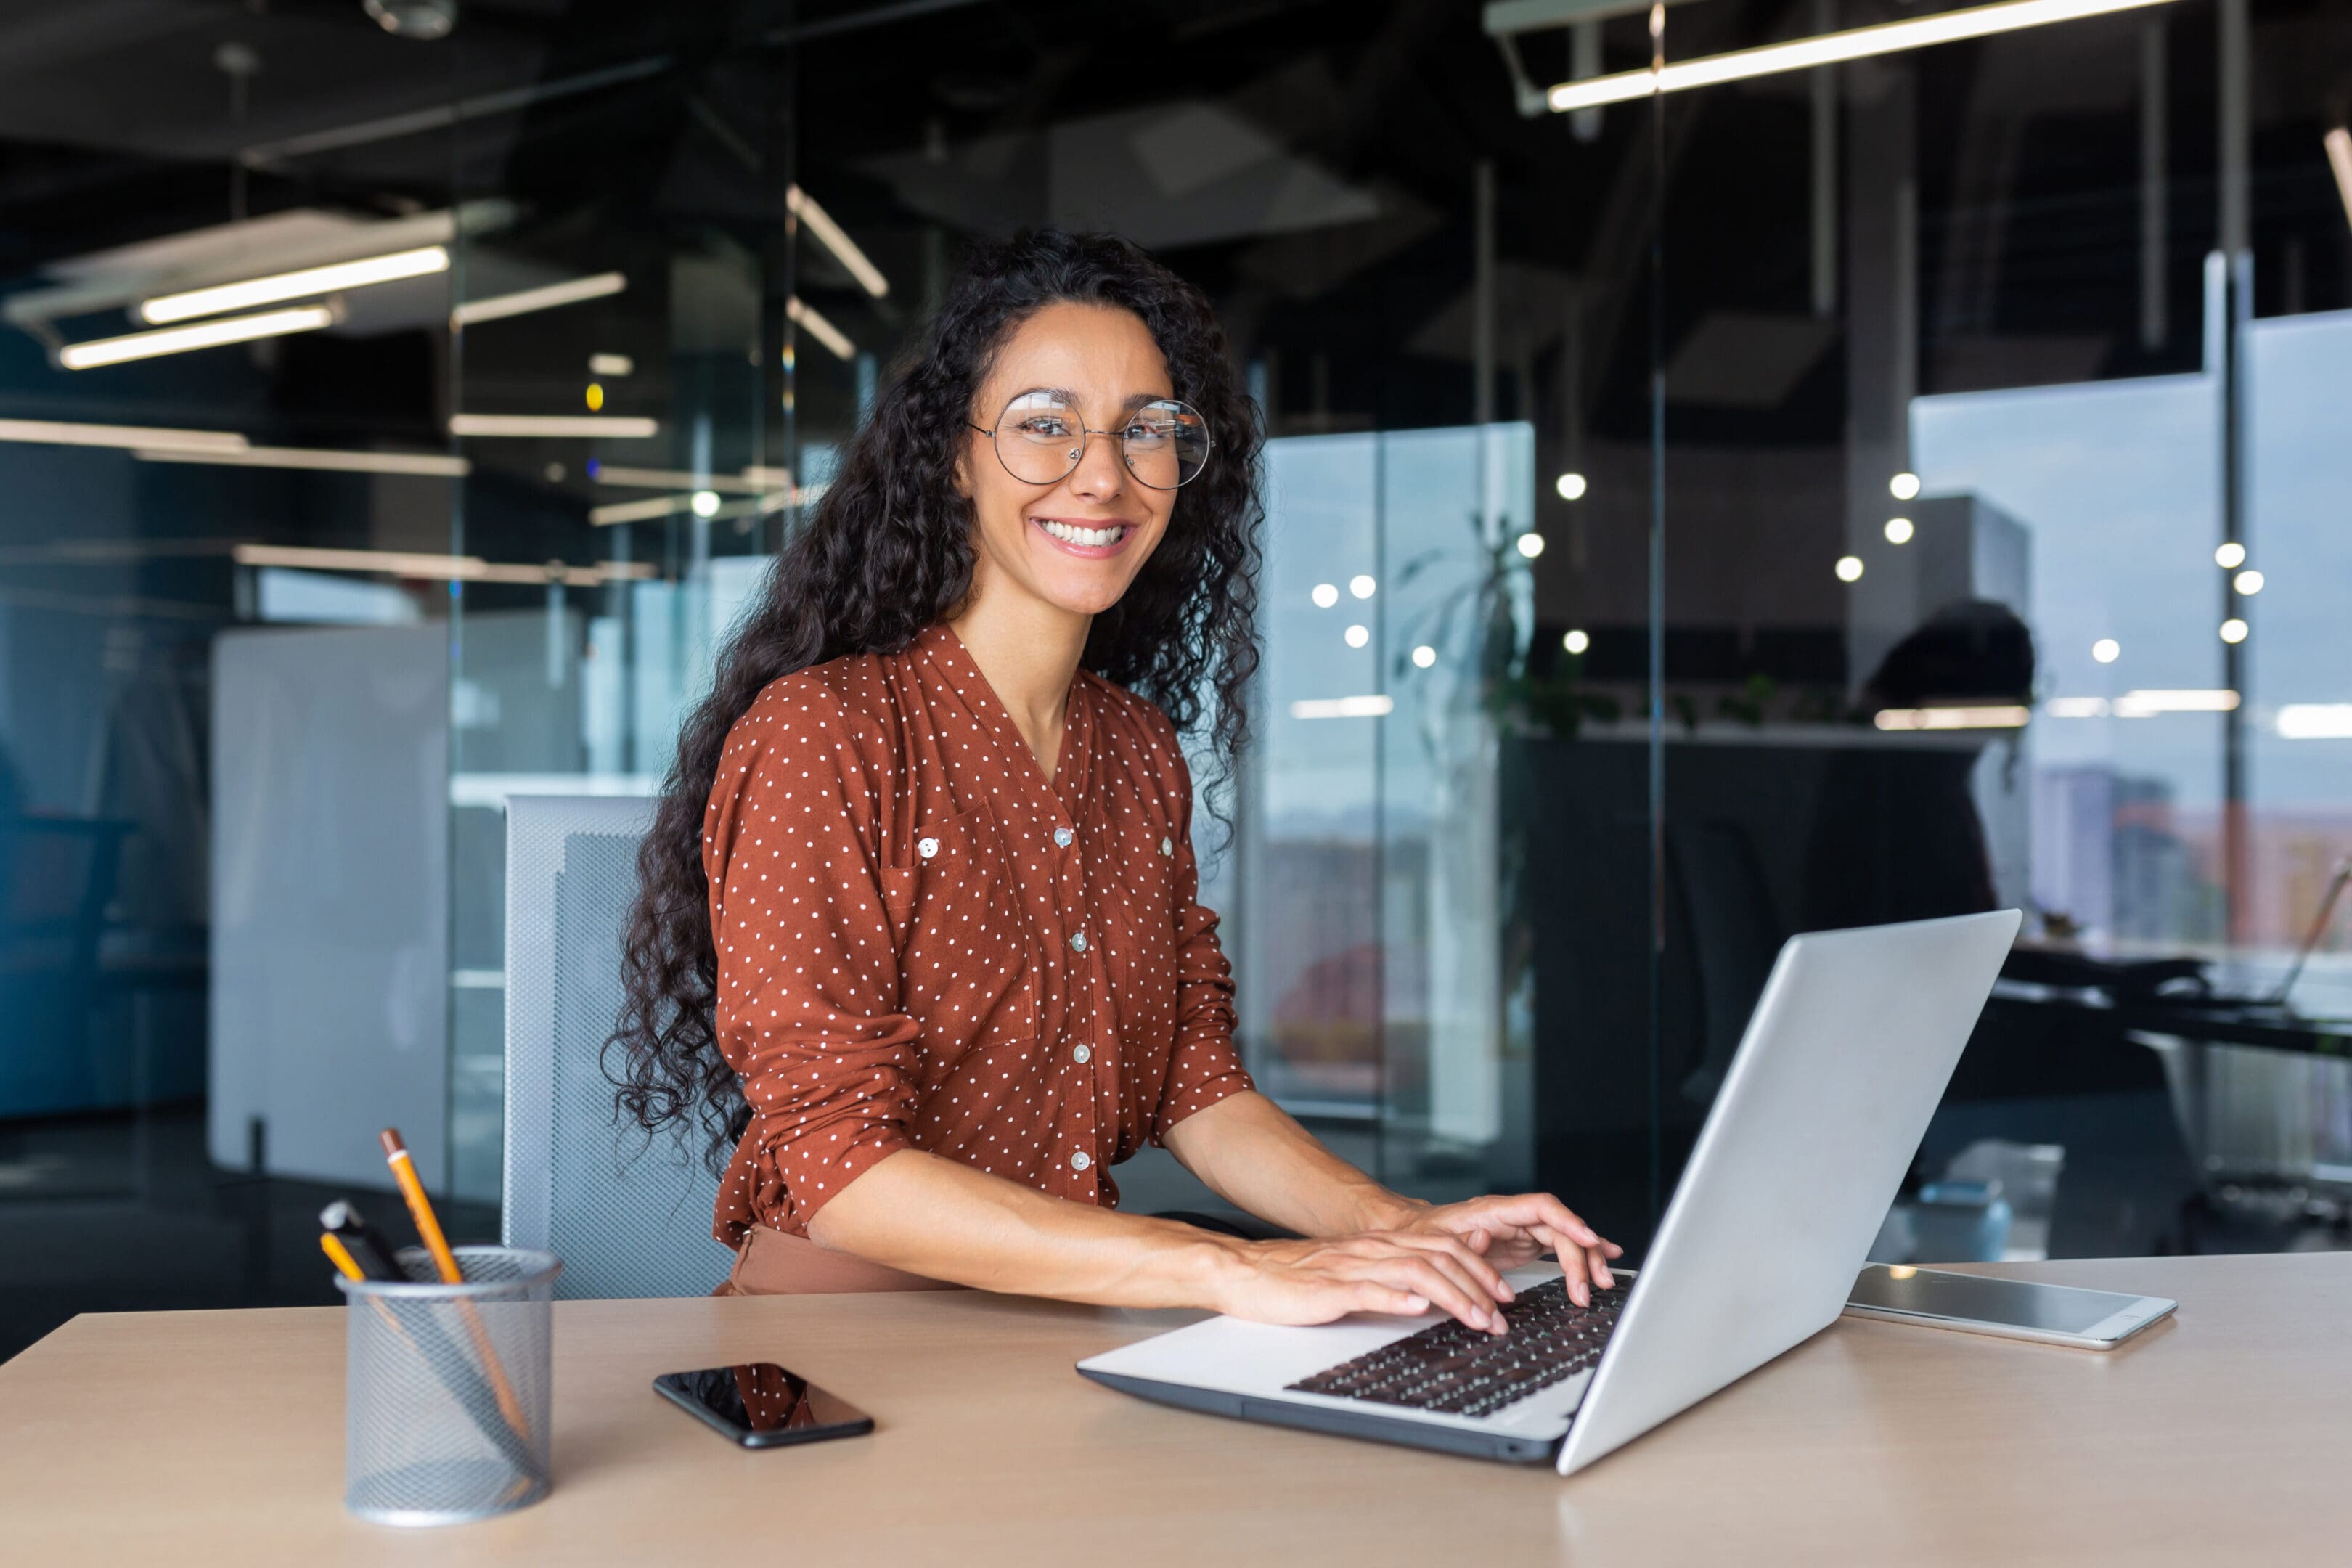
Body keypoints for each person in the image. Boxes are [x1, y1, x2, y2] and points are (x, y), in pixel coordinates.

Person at [613, 229, 1618, 1333]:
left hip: (1063, 1325)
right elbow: (843, 1174)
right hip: (848, 1343)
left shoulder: (1137, 752)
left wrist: (1392, 1223)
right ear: (954, 456)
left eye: (1145, 431)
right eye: (1046, 425)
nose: (1104, 474)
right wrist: (1226, 1268)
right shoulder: (825, 733)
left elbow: (1195, 1081)